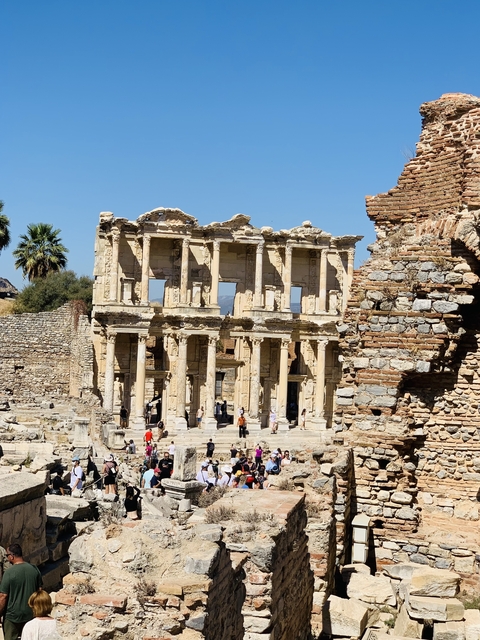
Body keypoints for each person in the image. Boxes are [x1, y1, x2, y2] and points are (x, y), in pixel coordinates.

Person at [0, 543, 42, 640]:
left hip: (12, 617)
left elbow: (3, 596)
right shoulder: (34, 569)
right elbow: (39, 591)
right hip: (30, 614)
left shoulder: (9, 573)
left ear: (12, 556)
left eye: (7, 555)